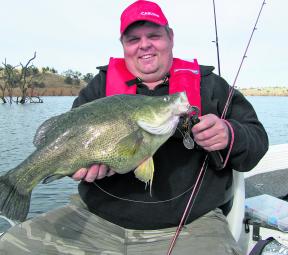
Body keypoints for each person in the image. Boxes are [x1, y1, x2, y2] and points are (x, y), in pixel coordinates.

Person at [0, 1, 268, 254]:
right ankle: (17, 183)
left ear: (170, 38)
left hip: (191, 226)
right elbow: (69, 145)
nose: (144, 46)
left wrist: (230, 133)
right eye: (133, 39)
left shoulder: (209, 85)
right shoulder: (99, 87)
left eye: (154, 35)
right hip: (94, 220)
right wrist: (79, 169)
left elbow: (257, 141)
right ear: (123, 45)